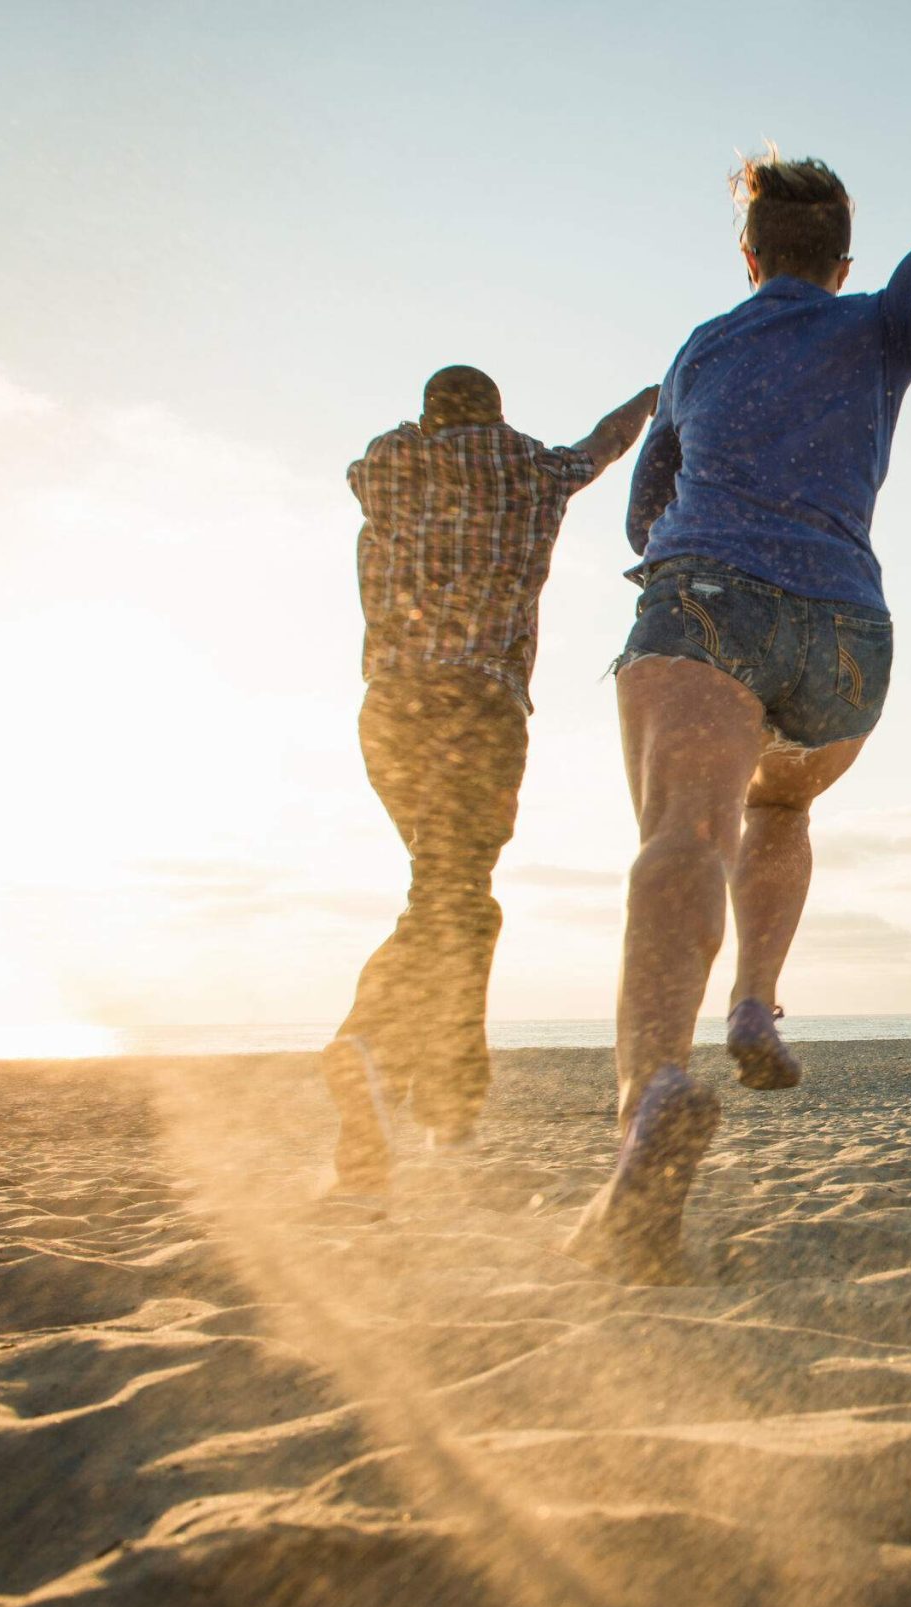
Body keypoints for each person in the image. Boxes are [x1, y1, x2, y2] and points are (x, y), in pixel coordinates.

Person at [566, 153, 911, 1281]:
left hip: (707, 602)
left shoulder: (702, 349)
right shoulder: (877, 328)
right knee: (782, 801)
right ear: (842, 261)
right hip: (847, 640)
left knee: (683, 833)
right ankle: (755, 1006)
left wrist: (685, 551)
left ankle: (651, 1096)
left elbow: (642, 513)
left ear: (749, 257)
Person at [323, 366, 658, 1194]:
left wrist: (426, 435)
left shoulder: (389, 465)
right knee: (455, 891)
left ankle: (436, 1087)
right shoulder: (532, 472)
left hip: (391, 713)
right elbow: (604, 446)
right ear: (499, 413)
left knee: (451, 894)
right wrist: (657, 398)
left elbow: (364, 465)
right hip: (477, 708)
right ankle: (385, 1051)